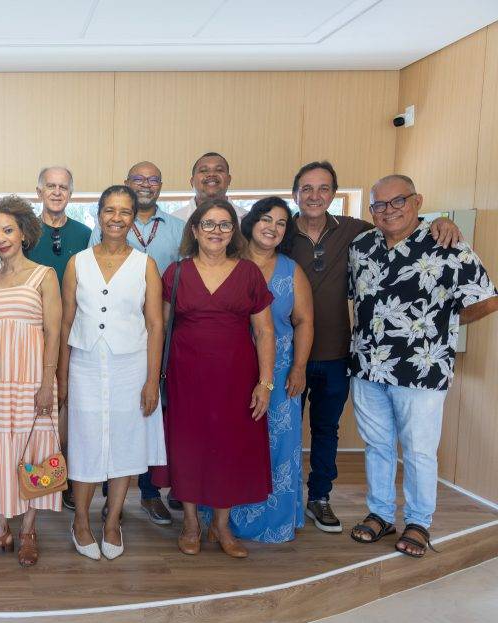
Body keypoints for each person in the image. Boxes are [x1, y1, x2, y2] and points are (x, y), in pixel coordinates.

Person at [287, 161, 462, 533]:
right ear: (295, 194)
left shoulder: (354, 231)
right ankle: (285, 500)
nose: (315, 195)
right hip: (294, 355)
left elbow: (402, 224)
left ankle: (320, 498)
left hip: (339, 355)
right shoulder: (282, 231)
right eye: (307, 188)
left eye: (323, 188)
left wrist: (439, 221)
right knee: (286, 431)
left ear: (333, 194)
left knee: (326, 431)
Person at [348, 175, 496, 558]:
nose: (389, 210)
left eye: (398, 201)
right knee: (377, 446)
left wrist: (442, 322)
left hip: (422, 370)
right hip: (367, 365)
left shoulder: (446, 243)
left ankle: (418, 522)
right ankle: (381, 514)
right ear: (371, 211)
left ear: (417, 201)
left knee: (418, 451)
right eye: (379, 205)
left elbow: (486, 298)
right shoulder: (361, 247)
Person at [161, 199, 275, 559]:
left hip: (236, 380)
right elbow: (159, 328)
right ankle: (191, 523)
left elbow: (265, 331)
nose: (216, 231)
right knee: (188, 448)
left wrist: (265, 383)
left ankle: (221, 525)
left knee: (229, 449)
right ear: (195, 230)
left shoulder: (249, 273)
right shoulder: (176, 272)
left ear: (234, 232)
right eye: (208, 224)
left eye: (225, 224)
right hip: (185, 378)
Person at [59, 186, 166, 561]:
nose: (116, 218)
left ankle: (113, 521)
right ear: (98, 214)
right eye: (109, 210)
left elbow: (156, 324)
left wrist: (152, 380)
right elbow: (66, 321)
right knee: (85, 442)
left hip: (130, 367)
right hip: (85, 365)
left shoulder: (145, 265)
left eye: (124, 211)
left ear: (133, 218)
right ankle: (81, 522)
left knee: (125, 443)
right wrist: (61, 377)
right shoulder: (77, 262)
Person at [0, 194, 63, 567]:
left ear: (23, 232)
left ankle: (28, 533)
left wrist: (47, 383)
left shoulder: (44, 275)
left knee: (32, 454)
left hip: (31, 380)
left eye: (7, 230)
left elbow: (53, 332)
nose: (1, 238)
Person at [89, 160, 185, 525]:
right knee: (111, 415)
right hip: (115, 337)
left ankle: (149, 493)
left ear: (161, 185)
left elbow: (187, 275)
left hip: (165, 331)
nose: (146, 184)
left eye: (153, 179)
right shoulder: (106, 226)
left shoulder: (178, 228)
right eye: (138, 179)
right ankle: (108, 498)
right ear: (127, 183)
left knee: (149, 413)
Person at [228, 197, 313, 542]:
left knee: (279, 446)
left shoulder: (292, 271)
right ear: (252, 222)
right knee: (233, 445)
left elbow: (304, 321)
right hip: (231, 370)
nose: (272, 228)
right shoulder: (228, 263)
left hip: (279, 373)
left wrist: (299, 367)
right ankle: (224, 520)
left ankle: (275, 521)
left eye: (281, 223)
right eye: (266, 219)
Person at [24, 166, 90, 510]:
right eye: (50, 186)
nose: (56, 192)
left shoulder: (85, 234)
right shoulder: (24, 232)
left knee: (69, 408)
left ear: (71, 193)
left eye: (63, 187)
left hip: (77, 333)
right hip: (32, 334)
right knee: (38, 407)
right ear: (39, 192)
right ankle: (32, 478)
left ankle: (65, 478)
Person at [171, 152, 248, 222]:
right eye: (203, 170)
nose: (211, 174)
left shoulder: (248, 220)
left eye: (219, 170)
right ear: (192, 181)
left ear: (229, 180)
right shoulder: (174, 220)